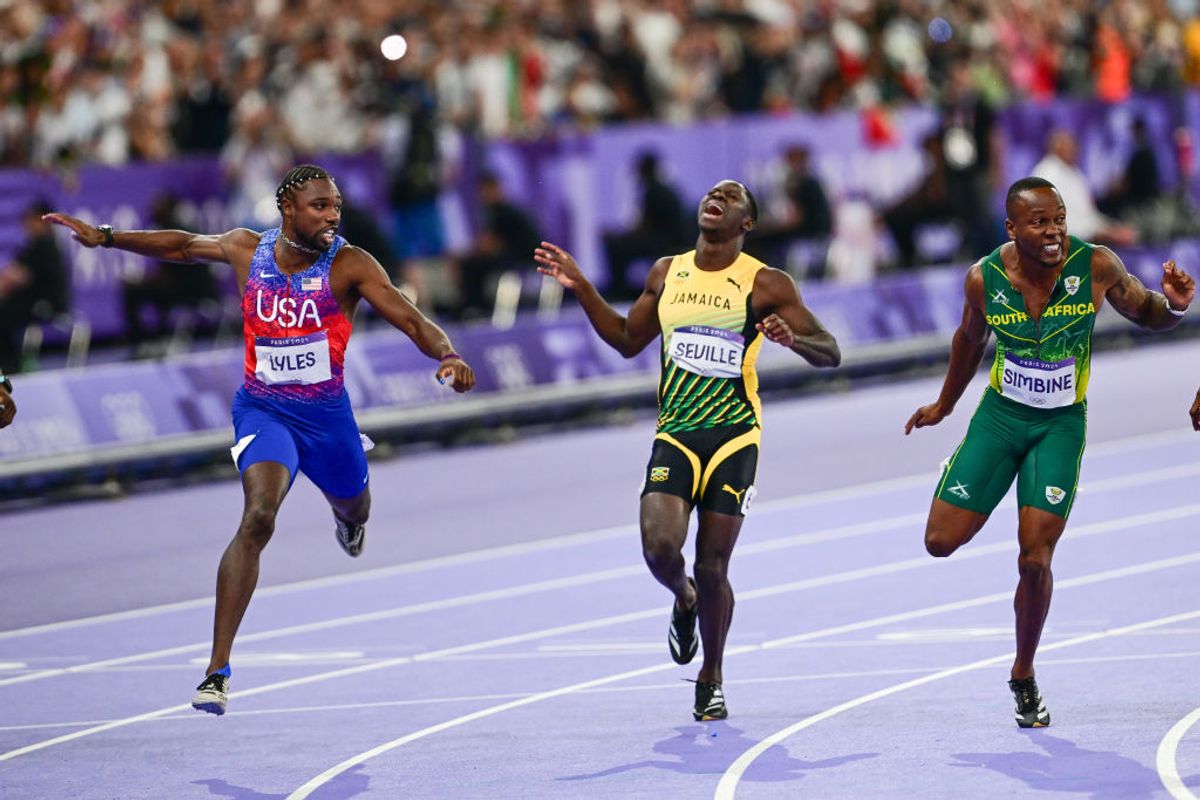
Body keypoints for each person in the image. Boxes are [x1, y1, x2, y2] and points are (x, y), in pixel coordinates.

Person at [44, 164, 476, 716]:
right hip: (264, 411)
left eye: (336, 205)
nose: (332, 215)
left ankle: (349, 520)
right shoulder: (247, 248)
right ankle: (217, 670)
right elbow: (179, 246)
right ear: (288, 210)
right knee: (259, 517)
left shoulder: (350, 264)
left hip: (328, 420)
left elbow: (412, 320)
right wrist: (106, 237)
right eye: (319, 206)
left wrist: (449, 355)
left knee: (356, 501)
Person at [534, 179, 840, 721]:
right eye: (711, 192)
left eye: (732, 195)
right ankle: (685, 597)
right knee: (659, 550)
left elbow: (830, 352)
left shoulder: (765, 283)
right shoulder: (667, 272)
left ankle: (712, 676)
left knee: (713, 562)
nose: (715, 195)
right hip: (675, 433)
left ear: (746, 223)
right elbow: (628, 339)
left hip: (733, 437)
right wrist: (581, 285)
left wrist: (793, 341)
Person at [905, 176, 1194, 728]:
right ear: (1012, 229)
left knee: (1035, 557)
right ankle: (966, 469)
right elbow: (970, 341)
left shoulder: (1096, 266)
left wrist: (1176, 307)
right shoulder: (984, 280)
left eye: (1059, 219)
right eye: (1040, 222)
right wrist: (944, 405)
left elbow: (1146, 311)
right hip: (1000, 416)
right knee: (940, 542)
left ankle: (1023, 673)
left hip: (1060, 424)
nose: (1055, 231)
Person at [602, 151, 690, 299]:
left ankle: (619, 292)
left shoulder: (653, 191)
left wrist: (617, 235)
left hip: (665, 242)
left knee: (616, 247)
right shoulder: (663, 188)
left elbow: (644, 228)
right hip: (670, 239)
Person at [0, 199, 70, 373]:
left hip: (47, 304)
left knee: (3, 312)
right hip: (31, 300)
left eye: (31, 220)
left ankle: (10, 364)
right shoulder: (33, 245)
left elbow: (17, 276)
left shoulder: (45, 245)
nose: (27, 224)